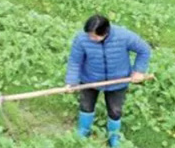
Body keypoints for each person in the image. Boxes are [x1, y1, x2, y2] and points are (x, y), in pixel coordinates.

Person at [64, 15, 151, 147]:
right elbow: (75, 61)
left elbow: (144, 50)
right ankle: (83, 131)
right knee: (86, 106)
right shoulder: (81, 39)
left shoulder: (123, 36)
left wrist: (139, 70)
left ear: (105, 32)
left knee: (115, 110)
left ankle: (113, 136)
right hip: (89, 79)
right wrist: (71, 81)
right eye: (89, 35)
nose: (90, 38)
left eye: (94, 37)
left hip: (118, 80)